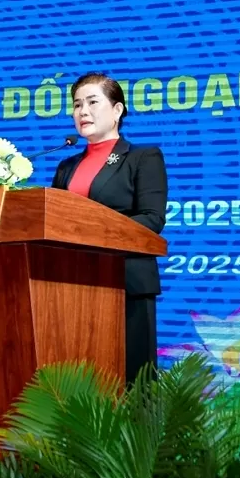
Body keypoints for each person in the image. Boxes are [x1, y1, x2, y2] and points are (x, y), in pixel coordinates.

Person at [50, 72, 168, 384]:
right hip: (72, 284)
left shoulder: (142, 158)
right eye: (77, 105)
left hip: (126, 282)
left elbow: (152, 219)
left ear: (117, 110)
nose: (83, 111)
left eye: (92, 102)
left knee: (131, 382)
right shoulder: (66, 167)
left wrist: (92, 233)